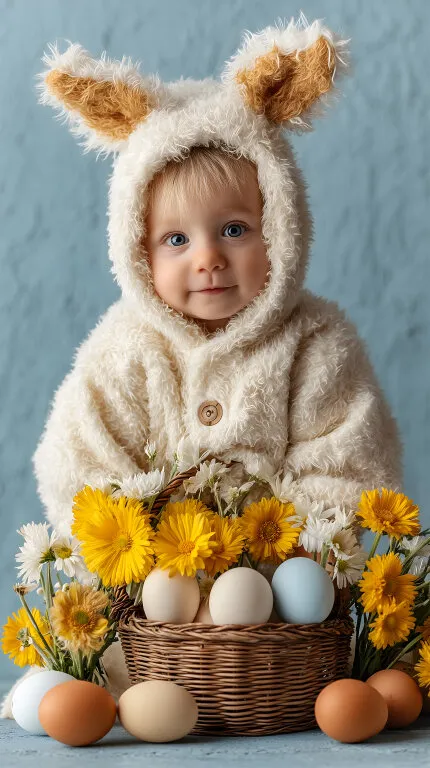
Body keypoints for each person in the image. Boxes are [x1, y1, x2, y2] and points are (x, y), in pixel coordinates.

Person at [1, 16, 403, 716]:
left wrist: (273, 570)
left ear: (281, 225)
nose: (207, 258)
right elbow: (78, 461)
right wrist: (150, 562)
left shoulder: (317, 342)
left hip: (284, 630)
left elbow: (350, 462)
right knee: (100, 698)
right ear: (137, 250)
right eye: (177, 238)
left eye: (235, 230)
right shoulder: (123, 352)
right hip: (154, 629)